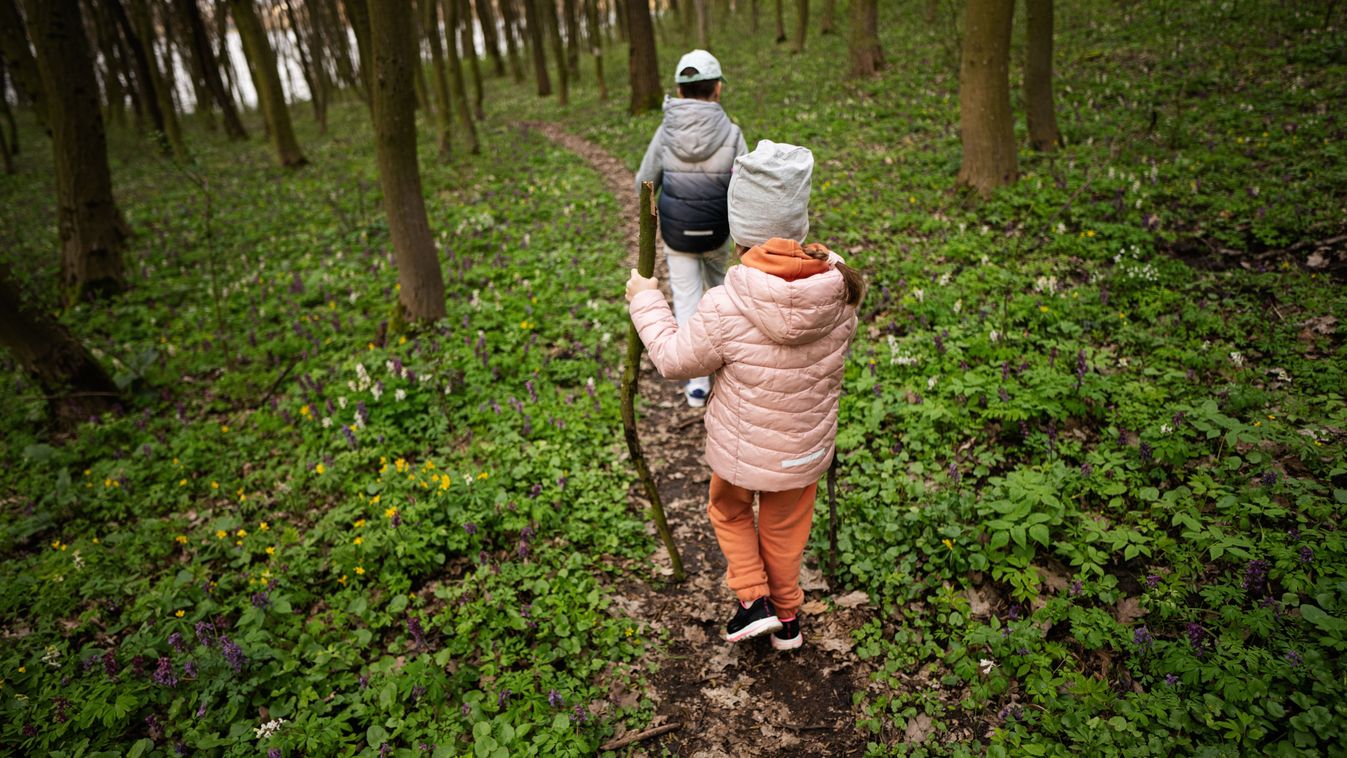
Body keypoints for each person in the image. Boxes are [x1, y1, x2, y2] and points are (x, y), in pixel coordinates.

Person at [626, 141, 864, 649]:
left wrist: (646, 299)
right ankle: (789, 620)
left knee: (729, 511)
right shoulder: (841, 292)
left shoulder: (726, 304)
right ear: (798, 223)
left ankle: (753, 600)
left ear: (740, 230)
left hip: (740, 454)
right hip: (804, 452)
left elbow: (672, 360)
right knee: (785, 533)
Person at [635, 49, 748, 407]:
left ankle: (697, 384)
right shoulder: (732, 133)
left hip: (677, 235)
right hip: (718, 232)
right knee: (721, 295)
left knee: (686, 301)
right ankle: (728, 371)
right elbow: (744, 186)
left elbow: (644, 180)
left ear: (680, 92)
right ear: (718, 89)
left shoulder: (665, 133)